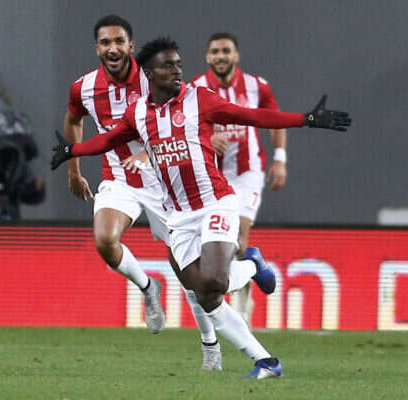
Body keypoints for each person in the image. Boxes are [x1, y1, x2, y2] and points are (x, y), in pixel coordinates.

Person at [51, 37, 351, 378]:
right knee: (206, 297)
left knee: (216, 282)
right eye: (167, 65)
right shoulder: (138, 114)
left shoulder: (200, 99)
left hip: (215, 204)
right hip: (179, 217)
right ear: (149, 73)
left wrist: (306, 119)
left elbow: (252, 116)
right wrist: (72, 152)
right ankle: (266, 357)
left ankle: (251, 278)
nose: (177, 70)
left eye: (178, 64)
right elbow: (107, 140)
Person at [63, 16, 272, 371]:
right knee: (105, 240)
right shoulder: (83, 88)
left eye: (119, 41)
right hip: (119, 178)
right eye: (105, 42)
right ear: (97, 48)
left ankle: (210, 347)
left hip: (166, 186)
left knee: (192, 277)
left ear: (130, 46)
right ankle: (148, 288)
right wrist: (73, 170)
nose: (112, 48)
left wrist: (152, 152)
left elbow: (185, 115)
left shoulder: (154, 76)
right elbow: (73, 120)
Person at [191, 32, 288, 326]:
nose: (220, 56)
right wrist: (208, 139)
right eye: (215, 51)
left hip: (247, 173)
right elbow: (184, 129)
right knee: (211, 244)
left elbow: (276, 120)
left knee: (237, 240)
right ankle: (245, 278)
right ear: (208, 57)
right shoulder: (195, 88)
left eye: (226, 50)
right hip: (211, 176)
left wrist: (280, 159)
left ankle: (241, 310)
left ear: (236, 55)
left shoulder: (257, 86)